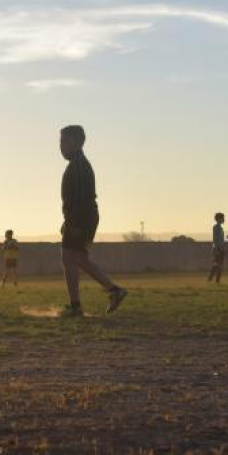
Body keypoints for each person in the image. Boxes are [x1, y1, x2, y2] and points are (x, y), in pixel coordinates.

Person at [57, 125, 127, 316]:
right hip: (84, 217)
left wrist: (74, 223)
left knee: (69, 257)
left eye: (63, 141)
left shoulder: (78, 166)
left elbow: (80, 199)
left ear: (75, 142)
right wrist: (69, 221)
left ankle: (76, 306)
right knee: (77, 258)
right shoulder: (78, 164)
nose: (60, 146)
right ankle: (113, 291)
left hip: (83, 218)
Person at [209, 212, 226, 283]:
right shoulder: (216, 227)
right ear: (218, 219)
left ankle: (214, 279)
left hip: (220, 248)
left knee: (218, 265)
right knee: (218, 265)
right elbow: (215, 239)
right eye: (222, 218)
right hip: (217, 249)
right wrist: (218, 249)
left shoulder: (220, 228)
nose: (224, 219)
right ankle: (214, 279)